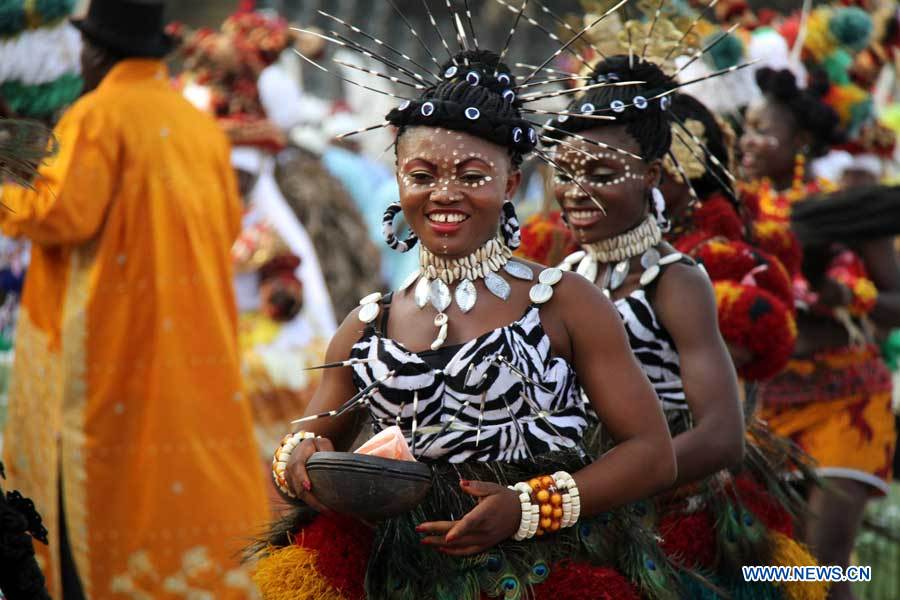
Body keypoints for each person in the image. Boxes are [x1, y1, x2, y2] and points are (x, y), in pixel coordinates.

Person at [252, 46, 683, 599]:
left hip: (545, 570)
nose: (445, 194)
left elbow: (652, 454)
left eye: (472, 175)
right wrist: (302, 460)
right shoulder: (369, 323)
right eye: (422, 174)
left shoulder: (565, 303)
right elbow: (298, 445)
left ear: (509, 184)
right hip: (393, 576)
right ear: (399, 180)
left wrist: (528, 508)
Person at [0, 1, 269, 597]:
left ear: (98, 52)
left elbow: (60, 211)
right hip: (193, 349)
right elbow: (226, 225)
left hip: (113, 352)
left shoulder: (98, 115)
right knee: (183, 480)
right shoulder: (198, 124)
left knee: (99, 496)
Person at [548, 54, 826, 598]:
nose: (575, 191)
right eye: (565, 173)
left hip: (663, 519)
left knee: (829, 570)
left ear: (652, 174)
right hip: (572, 505)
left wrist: (610, 486)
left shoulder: (675, 280)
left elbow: (722, 436)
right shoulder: (562, 277)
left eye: (601, 175)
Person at [746, 67, 899, 600]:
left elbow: (897, 302)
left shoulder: (846, 210)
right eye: (745, 127)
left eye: (763, 130)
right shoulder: (734, 212)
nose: (746, 140)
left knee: (826, 563)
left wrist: (849, 298)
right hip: (764, 407)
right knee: (764, 560)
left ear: (801, 143)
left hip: (848, 401)